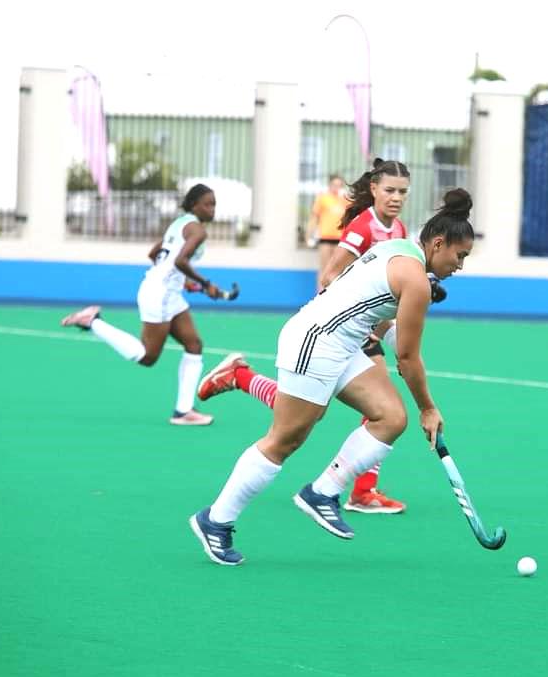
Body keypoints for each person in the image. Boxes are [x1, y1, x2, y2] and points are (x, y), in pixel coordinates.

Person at [188, 188, 476, 566]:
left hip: (341, 345)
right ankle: (216, 520)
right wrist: (429, 408)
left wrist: (404, 363)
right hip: (315, 341)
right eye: (460, 255)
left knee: (390, 418)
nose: (460, 265)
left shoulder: (401, 249)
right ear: (439, 243)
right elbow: (407, 358)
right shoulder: (417, 281)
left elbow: (384, 318)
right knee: (285, 440)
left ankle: (323, 492)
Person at [197, 159, 420, 514]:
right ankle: (360, 491)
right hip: (338, 329)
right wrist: (367, 321)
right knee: (313, 418)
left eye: (403, 192)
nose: (396, 198)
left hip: (361, 330)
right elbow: (330, 276)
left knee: (359, 412)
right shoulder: (364, 227)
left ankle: (241, 377)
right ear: (375, 189)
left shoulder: (399, 231)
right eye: (389, 190)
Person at [60, 183, 226, 426]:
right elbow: (180, 260)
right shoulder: (197, 230)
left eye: (214, 204)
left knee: (194, 344)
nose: (212, 209)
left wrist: (184, 283)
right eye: (208, 204)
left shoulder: (178, 224)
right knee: (147, 356)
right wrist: (206, 284)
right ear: (194, 205)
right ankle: (93, 322)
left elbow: (155, 255)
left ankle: (183, 412)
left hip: (167, 292)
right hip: (160, 295)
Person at [307, 174, 349, 288]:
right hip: (325, 238)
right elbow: (314, 218)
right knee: (324, 268)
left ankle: (334, 295)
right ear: (330, 185)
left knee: (337, 269)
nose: (337, 187)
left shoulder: (345, 200)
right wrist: (308, 236)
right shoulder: (323, 198)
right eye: (334, 185)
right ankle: (319, 295)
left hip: (340, 239)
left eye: (339, 185)